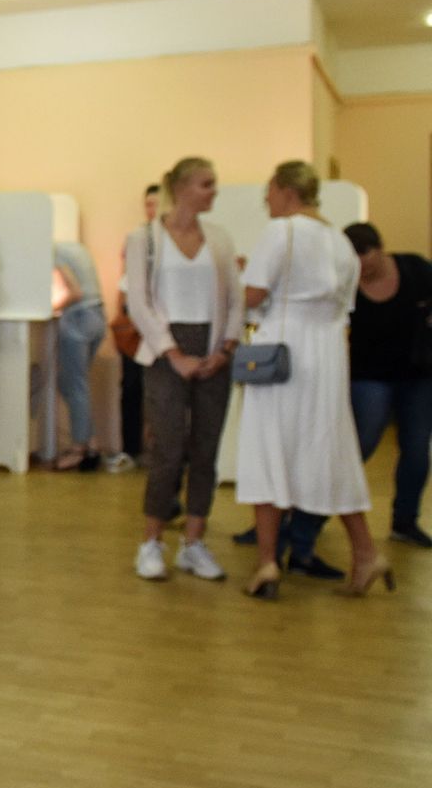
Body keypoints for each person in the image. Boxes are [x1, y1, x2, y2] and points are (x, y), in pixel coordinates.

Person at [236, 163, 392, 600]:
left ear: (287, 191)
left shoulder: (281, 232)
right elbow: (343, 308)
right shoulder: (341, 242)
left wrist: (236, 281)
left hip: (282, 354)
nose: (266, 200)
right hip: (327, 357)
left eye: (269, 191)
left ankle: (268, 561)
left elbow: (254, 294)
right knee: (329, 450)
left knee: (269, 447)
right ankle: (365, 552)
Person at [282, 224, 432, 571]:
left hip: (418, 375)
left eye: (367, 254)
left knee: (416, 449)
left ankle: (405, 521)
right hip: (369, 377)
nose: (363, 263)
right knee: (354, 449)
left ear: (380, 248)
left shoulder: (415, 269)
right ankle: (305, 524)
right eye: (355, 257)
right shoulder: (344, 281)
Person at [122, 157, 242, 583]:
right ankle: (151, 542)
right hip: (164, 354)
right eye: (207, 184)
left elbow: (235, 299)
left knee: (206, 450)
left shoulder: (220, 238)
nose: (214, 191)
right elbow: (139, 303)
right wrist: (174, 354)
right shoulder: (143, 239)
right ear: (183, 188)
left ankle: (193, 543)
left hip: (213, 352)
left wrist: (225, 349)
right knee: (168, 450)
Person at [107, 184, 161, 474]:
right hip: (135, 323)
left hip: (161, 320)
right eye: (148, 204)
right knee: (131, 386)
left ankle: (162, 450)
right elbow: (125, 280)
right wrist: (120, 317)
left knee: (161, 389)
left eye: (157, 203)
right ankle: (130, 449)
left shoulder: (173, 238)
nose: (152, 209)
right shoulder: (136, 238)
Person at [51, 239, 106, 471]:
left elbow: (75, 292)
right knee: (73, 385)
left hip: (78, 318)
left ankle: (78, 448)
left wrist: (52, 307)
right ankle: (91, 444)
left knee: (73, 386)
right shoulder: (76, 248)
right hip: (97, 316)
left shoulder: (53, 253)